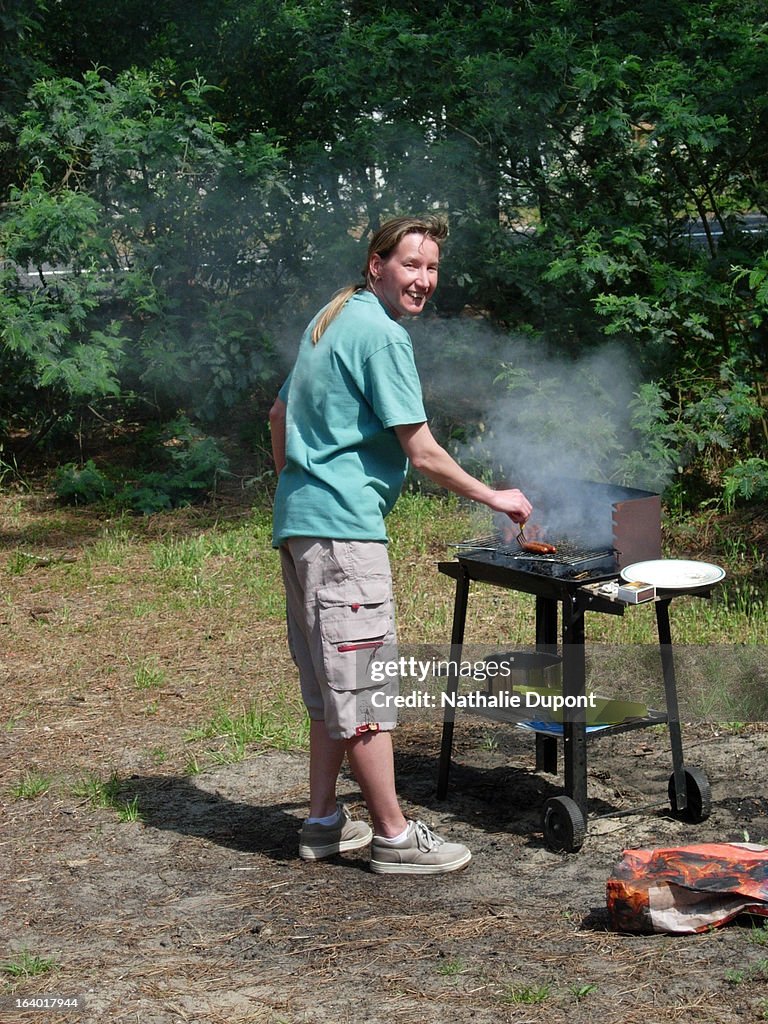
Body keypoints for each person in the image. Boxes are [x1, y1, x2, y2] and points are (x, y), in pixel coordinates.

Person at [269, 215, 532, 874]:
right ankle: (393, 837)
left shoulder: (331, 320)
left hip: (304, 527)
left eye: (431, 268)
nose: (422, 279)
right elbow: (422, 452)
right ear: (376, 264)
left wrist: (301, 487)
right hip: (344, 534)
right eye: (411, 264)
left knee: (333, 687)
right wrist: (495, 496)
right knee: (363, 690)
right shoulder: (381, 336)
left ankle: (324, 822)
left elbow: (278, 417)